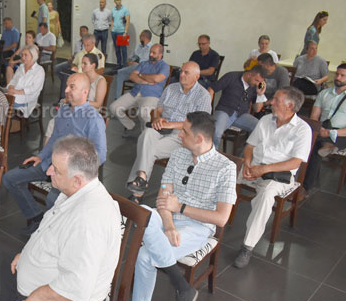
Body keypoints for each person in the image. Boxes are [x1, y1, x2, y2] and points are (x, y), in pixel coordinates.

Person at [0, 136, 121, 301]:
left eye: (56, 169)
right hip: (57, 282)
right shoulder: (75, 191)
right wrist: (27, 254)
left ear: (77, 180)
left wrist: (34, 300)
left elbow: (74, 287)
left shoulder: (88, 221)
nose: (48, 171)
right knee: (9, 264)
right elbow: (51, 230)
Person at [121, 112, 237, 301]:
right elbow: (163, 196)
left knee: (145, 254)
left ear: (200, 139)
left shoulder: (225, 168)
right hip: (168, 219)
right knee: (145, 211)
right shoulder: (178, 155)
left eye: (184, 131)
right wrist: (169, 224)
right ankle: (182, 286)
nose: (179, 134)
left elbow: (221, 218)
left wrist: (181, 208)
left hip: (198, 226)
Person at [3, 73, 107, 235]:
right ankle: (36, 217)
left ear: (85, 92)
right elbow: (54, 138)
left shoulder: (93, 118)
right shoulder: (64, 110)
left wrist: (75, 172)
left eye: (72, 87)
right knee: (10, 178)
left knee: (52, 199)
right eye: (66, 86)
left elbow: (100, 155)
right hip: (50, 164)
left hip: (70, 173)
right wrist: (41, 156)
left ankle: (54, 232)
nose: (66, 90)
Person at [233, 87, 312, 269]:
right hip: (254, 166)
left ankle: (247, 246)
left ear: (290, 105)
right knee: (223, 176)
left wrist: (264, 169)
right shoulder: (266, 120)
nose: (271, 102)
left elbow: (295, 162)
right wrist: (247, 164)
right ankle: (208, 225)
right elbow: (250, 146)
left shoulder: (303, 130)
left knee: (266, 195)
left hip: (278, 175)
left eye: (276, 100)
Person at [125, 62, 211, 203]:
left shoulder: (203, 96)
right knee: (146, 134)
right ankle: (141, 179)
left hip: (182, 135)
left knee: (147, 148)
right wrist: (158, 118)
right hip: (161, 127)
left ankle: (137, 191)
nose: (181, 74)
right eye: (181, 71)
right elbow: (158, 109)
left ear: (196, 77)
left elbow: (199, 124)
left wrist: (172, 124)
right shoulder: (171, 88)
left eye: (186, 72)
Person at [303, 64, 346, 195]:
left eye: (342, 75)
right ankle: (328, 145)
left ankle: (306, 187)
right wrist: (319, 128)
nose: (338, 77)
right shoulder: (324, 93)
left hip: (342, 133)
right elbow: (314, 116)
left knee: (315, 147)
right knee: (308, 143)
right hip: (322, 128)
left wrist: (332, 132)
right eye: (337, 74)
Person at [109, 44, 169, 133]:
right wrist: (144, 81)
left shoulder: (165, 66)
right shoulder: (143, 63)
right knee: (114, 108)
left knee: (144, 113)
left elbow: (157, 79)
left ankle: (144, 134)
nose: (151, 54)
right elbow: (132, 76)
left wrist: (140, 75)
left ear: (160, 54)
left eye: (154, 53)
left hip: (151, 95)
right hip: (135, 92)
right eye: (150, 52)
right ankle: (131, 126)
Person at [208, 65, 267, 148]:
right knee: (216, 133)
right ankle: (211, 153)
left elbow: (257, 109)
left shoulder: (255, 87)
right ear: (249, 74)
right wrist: (208, 108)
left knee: (260, 128)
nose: (257, 84)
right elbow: (211, 88)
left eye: (260, 82)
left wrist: (260, 94)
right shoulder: (231, 76)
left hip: (241, 115)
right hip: (225, 111)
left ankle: (244, 153)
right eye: (256, 80)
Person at [54, 33, 104, 100]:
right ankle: (65, 99)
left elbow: (101, 70)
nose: (86, 47)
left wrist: (87, 73)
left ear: (93, 43)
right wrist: (74, 67)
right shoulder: (81, 53)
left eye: (88, 45)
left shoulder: (98, 54)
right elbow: (74, 63)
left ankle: (67, 99)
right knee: (66, 76)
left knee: (68, 79)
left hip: (88, 77)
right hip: (77, 75)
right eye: (84, 45)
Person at [6, 45, 45, 118]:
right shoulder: (21, 67)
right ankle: (5, 123)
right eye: (22, 55)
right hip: (15, 94)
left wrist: (18, 92)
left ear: (33, 56)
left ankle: (4, 123)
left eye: (26, 55)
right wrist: (11, 86)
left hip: (28, 98)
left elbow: (34, 88)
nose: (23, 58)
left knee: (3, 103)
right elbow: (14, 80)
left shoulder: (39, 70)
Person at [112, 29, 153, 99]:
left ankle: (119, 97)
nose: (139, 37)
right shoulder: (138, 46)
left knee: (122, 71)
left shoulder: (151, 48)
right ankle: (117, 97)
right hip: (133, 68)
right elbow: (129, 58)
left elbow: (147, 63)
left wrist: (136, 64)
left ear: (144, 37)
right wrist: (129, 62)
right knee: (120, 73)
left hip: (143, 70)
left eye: (140, 36)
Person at [111, 0, 130, 68]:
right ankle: (118, 64)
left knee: (123, 50)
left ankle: (124, 65)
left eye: (119, 0)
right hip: (114, 32)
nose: (118, 1)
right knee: (117, 50)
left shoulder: (125, 10)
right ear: (114, 1)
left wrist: (125, 32)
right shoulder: (113, 9)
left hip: (122, 32)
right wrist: (112, 29)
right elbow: (112, 20)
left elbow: (127, 21)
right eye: (117, 0)